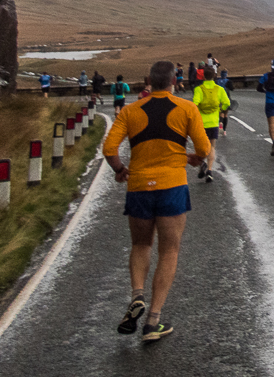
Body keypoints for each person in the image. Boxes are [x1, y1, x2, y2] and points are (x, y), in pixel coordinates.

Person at [103, 60, 211, 343]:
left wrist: (119, 170)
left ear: (149, 80)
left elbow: (109, 148)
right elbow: (204, 148)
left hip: (138, 186)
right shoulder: (187, 109)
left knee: (140, 244)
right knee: (169, 250)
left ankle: (137, 295)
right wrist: (194, 159)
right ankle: (153, 321)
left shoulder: (130, 111)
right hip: (172, 185)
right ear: (175, 80)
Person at [192, 66, 230, 182]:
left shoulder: (199, 89)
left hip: (201, 123)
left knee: (201, 147)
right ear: (214, 76)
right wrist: (220, 110)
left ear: (203, 76)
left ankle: (201, 164)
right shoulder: (219, 89)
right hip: (213, 122)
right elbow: (227, 103)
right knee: (212, 147)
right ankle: (209, 170)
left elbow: (194, 104)